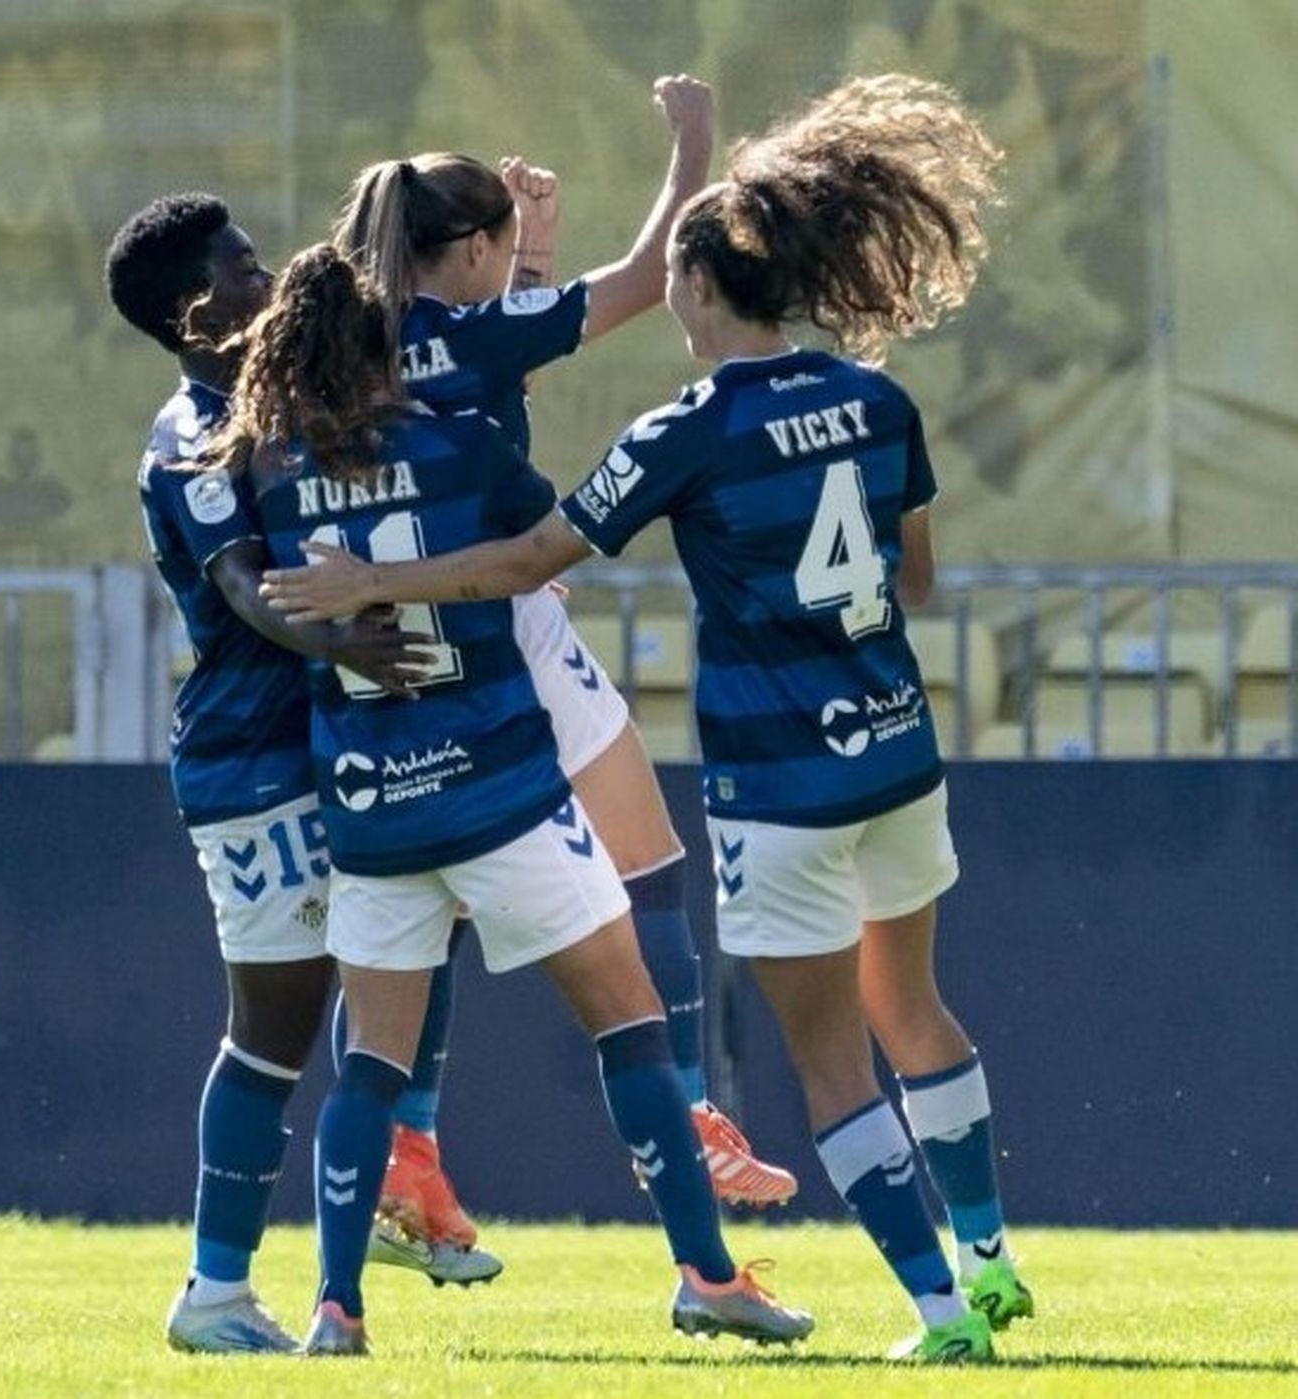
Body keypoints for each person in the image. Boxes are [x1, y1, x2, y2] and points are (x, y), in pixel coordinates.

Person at [261, 74, 1034, 1364]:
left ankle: (363, 1255)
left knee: (406, 1017)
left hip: (431, 738)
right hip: (851, 741)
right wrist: (683, 153)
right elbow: (909, 577)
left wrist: (356, 588)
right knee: (811, 984)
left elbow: (513, 501)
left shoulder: (353, 382)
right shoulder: (875, 399)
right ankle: (922, 1252)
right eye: (503, 248)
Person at [215, 244, 814, 1357]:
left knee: (369, 1071)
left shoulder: (270, 471)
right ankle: (707, 1275)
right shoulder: (459, 444)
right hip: (498, 789)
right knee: (631, 1026)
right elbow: (536, 556)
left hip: (372, 811)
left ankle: (335, 1307)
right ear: (383, 342)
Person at [330, 74, 796, 1212]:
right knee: (648, 865)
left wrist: (523, 263)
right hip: (499, 612)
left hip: (380, 632)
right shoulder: (464, 333)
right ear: (472, 248)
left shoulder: (350, 340)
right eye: (501, 245)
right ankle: (689, 1110)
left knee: (414, 898)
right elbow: (642, 283)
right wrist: (691, 149)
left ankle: (409, 1149)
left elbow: (479, 375)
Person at [103, 193, 500, 1357]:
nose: (264, 270)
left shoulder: (287, 395)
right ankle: (214, 1291)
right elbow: (240, 585)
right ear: (194, 307)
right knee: (274, 1027)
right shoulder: (191, 434)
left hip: (338, 736)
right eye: (237, 264)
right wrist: (342, 640)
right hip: (254, 757)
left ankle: (400, 1181)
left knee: (428, 928)